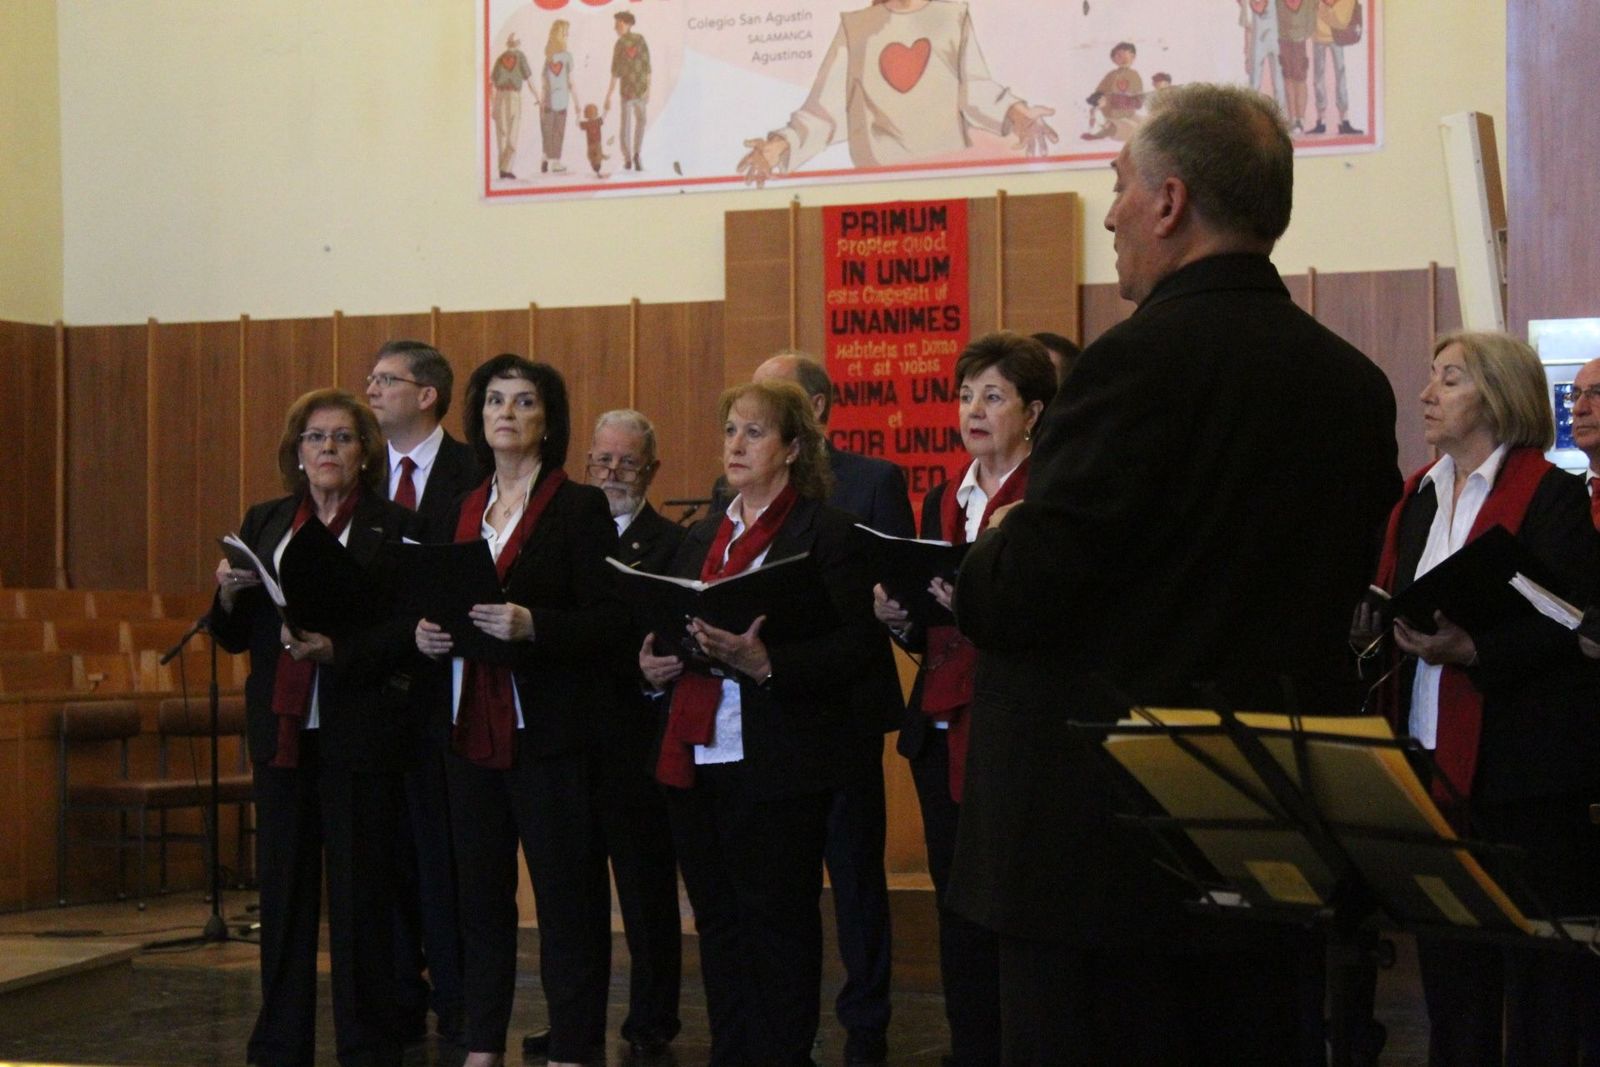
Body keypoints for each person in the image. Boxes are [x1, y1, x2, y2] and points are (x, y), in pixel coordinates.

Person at [946, 83, 1401, 1064]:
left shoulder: (1131, 367)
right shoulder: (1351, 386)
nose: (1108, 210)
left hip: (1101, 862)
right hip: (1262, 838)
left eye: (1117, 184)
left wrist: (1001, 533)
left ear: (1169, 200)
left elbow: (1015, 596)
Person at [1353, 332, 1600, 1066]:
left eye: (1449, 380)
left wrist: (1477, 649)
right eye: (1430, 378)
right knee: (1451, 973)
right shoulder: (1418, 495)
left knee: (1538, 979)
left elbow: (1573, 625)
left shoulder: (1550, 495)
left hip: (1525, 766)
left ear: (1495, 395)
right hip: (1429, 754)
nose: (1426, 394)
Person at [639, 379, 882, 1066]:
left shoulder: (825, 531)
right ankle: (731, 1050)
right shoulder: (700, 535)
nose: (737, 445)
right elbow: (670, 625)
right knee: (717, 919)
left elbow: (857, 650)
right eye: (730, 431)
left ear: (793, 447)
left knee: (776, 920)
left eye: (754, 432)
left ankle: (781, 1052)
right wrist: (651, 665)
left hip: (780, 755)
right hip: (697, 748)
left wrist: (767, 662)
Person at [412, 354, 623, 1067]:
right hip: (468, 721)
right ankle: (479, 1040)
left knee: (567, 896)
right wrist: (425, 633)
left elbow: (610, 623)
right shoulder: (456, 506)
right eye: (495, 400)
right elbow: (435, 598)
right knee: (480, 895)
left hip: (550, 730)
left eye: (524, 401)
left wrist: (536, 625)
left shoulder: (578, 506)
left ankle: (572, 1041)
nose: (506, 412)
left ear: (547, 421)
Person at [209, 388, 419, 1067]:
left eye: (343, 438)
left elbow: (408, 632)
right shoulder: (267, 521)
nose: (327, 449)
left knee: (361, 895)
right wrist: (228, 593)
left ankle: (366, 1039)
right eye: (314, 438)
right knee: (285, 889)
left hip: (360, 729)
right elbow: (236, 638)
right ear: (296, 453)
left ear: (364, 454)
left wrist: (341, 651)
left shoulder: (393, 524)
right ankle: (279, 1039)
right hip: (285, 730)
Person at [724, 351, 911, 1064]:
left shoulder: (874, 481)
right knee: (777, 887)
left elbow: (884, 600)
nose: (740, 442)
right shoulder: (726, 498)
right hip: (761, 719)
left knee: (856, 870)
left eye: (762, 420)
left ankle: (867, 1019)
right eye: (735, 426)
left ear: (813, 415)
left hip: (845, 711)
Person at [874, 331, 1055, 1066]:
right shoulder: (945, 494)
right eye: (964, 394)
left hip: (1014, 723)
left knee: (1014, 901)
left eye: (993, 395)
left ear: (1034, 411)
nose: (973, 409)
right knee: (955, 898)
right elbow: (935, 617)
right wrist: (902, 619)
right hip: (942, 718)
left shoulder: (1047, 496)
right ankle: (969, 1044)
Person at [522, 409, 684, 1060]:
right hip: (563, 736)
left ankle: (652, 1019)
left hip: (635, 738)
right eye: (601, 461)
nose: (611, 473)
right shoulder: (555, 532)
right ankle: (572, 1015)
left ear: (651, 470)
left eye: (626, 462)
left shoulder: (670, 543)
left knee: (645, 890)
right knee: (570, 891)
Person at [364, 339, 479, 1047]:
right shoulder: (363, 469)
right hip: (377, 695)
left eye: (386, 380)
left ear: (428, 394)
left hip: (450, 695)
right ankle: (399, 995)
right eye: (370, 380)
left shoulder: (471, 471)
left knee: (448, 859)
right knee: (388, 857)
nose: (371, 390)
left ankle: (462, 1003)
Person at [737, 0, 1057, 185]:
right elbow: (827, 110)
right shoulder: (858, 27)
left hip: (949, 173)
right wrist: (778, 147)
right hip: (879, 182)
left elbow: (975, 89)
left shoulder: (952, 15)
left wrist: (1016, 114)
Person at [605, 12, 650, 172]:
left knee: (640, 121)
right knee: (627, 124)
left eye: (619, 24)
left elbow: (647, 66)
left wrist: (648, 89)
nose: (616, 27)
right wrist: (609, 95)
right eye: (616, 25)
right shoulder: (619, 44)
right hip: (628, 90)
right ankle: (629, 157)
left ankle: (635, 154)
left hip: (639, 89)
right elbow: (615, 71)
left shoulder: (639, 39)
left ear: (629, 24)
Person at [1310, 0, 1362, 135]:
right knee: (1319, 78)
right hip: (1318, 36)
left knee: (1340, 76)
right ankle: (1321, 120)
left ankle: (1344, 120)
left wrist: (1324, 10)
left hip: (1337, 37)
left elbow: (1341, 21)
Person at [491, 33, 535, 179]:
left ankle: (502, 169)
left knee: (502, 134)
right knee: (512, 133)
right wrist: (538, 97)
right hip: (513, 96)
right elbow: (529, 79)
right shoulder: (520, 56)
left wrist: (493, 104)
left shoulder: (499, 59)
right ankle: (505, 168)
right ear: (516, 44)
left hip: (500, 96)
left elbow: (491, 84)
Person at [539, 20, 575, 173]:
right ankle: (555, 162)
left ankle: (546, 157)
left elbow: (544, 81)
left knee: (547, 129)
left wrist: (541, 101)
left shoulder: (548, 59)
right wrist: (577, 101)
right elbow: (570, 80)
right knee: (558, 130)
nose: (567, 36)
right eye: (565, 33)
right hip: (561, 99)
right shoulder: (567, 57)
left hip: (548, 99)